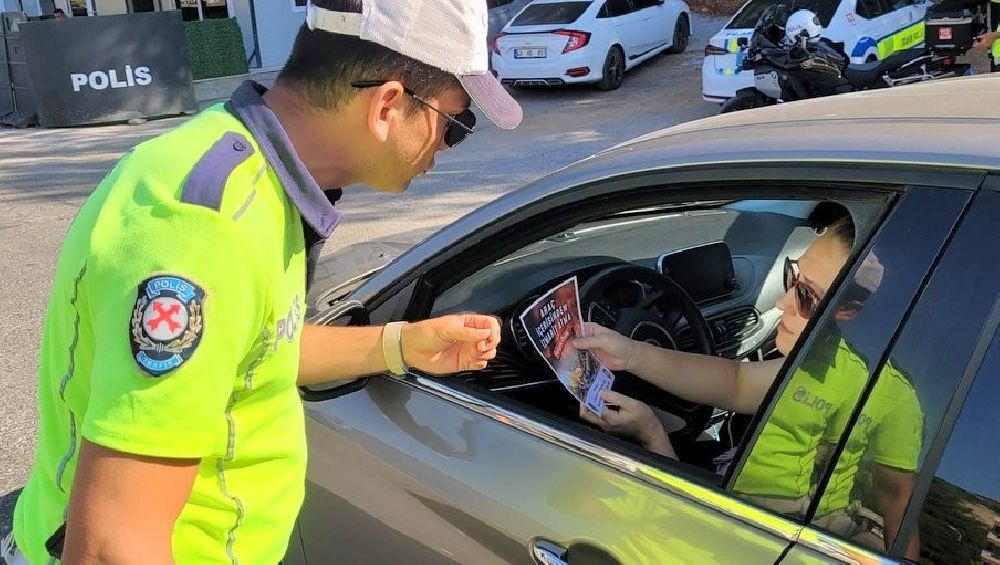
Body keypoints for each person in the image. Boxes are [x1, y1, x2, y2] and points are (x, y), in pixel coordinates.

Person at [6, 0, 521, 563]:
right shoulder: (205, 231)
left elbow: (254, 349)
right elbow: (112, 545)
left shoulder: (252, 170)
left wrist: (399, 345)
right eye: (457, 124)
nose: (445, 148)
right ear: (388, 105)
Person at [573, 215, 923, 559]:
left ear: (848, 312)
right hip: (733, 507)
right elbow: (736, 381)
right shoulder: (812, 357)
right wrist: (630, 353)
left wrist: (651, 434)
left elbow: (898, 504)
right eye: (792, 275)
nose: (781, 303)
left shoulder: (895, 396)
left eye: (806, 295)